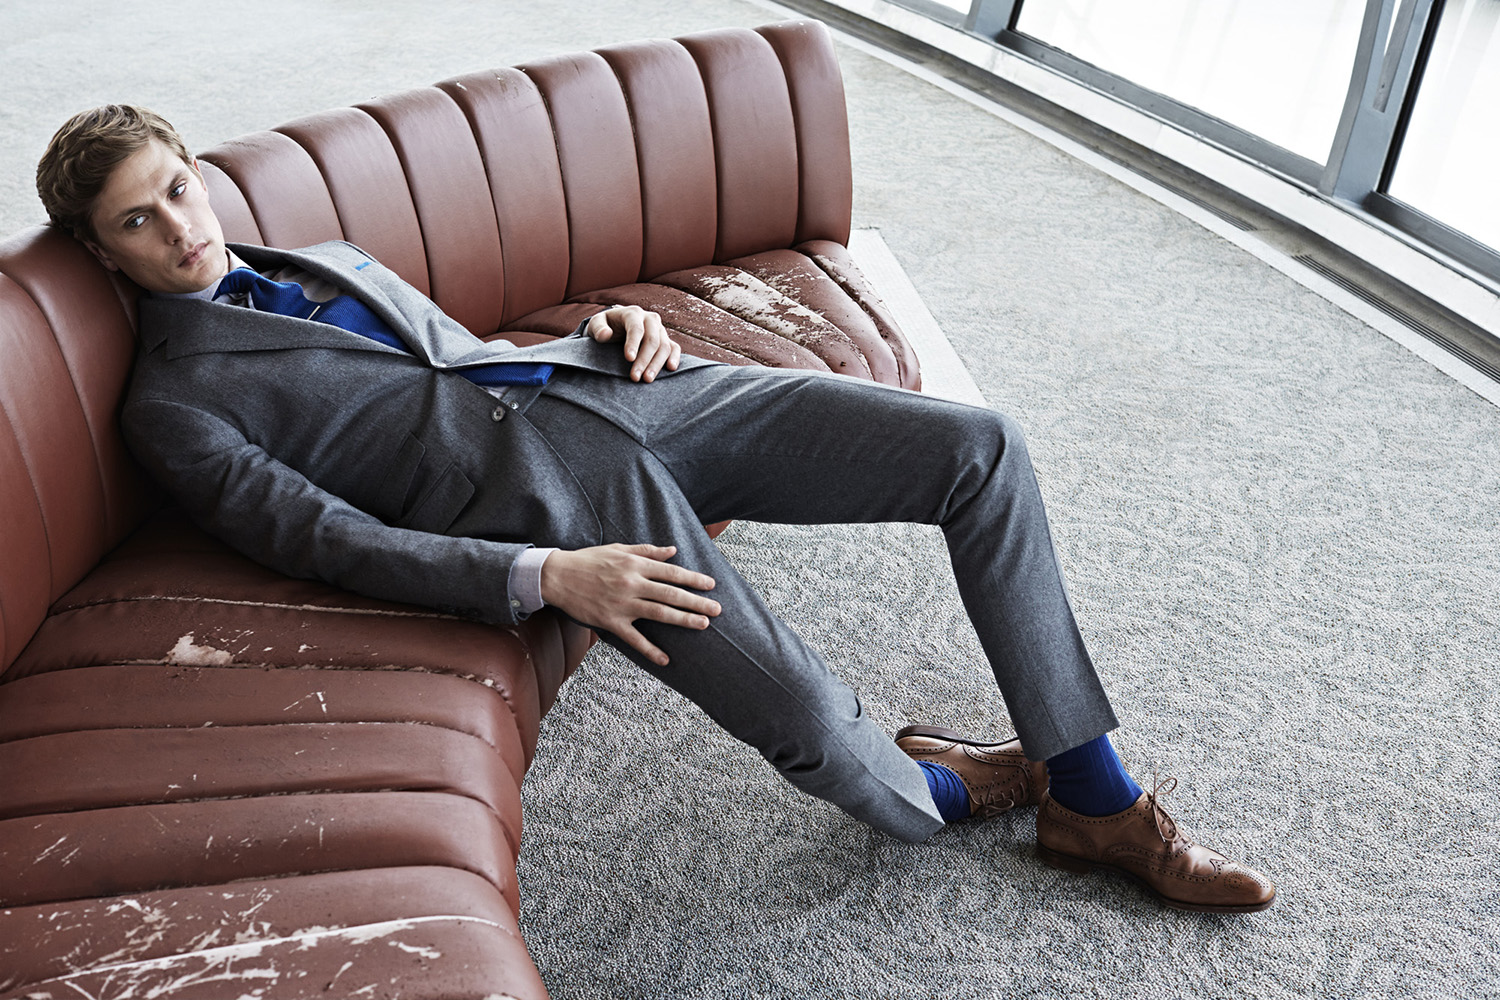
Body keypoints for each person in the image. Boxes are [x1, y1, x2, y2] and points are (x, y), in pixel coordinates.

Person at [34, 104, 1275, 913]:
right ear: (101, 252)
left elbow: (459, 362)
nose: (179, 228)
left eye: (179, 189)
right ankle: (947, 791)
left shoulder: (315, 256)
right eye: (138, 221)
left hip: (624, 392)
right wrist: (544, 579)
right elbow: (325, 537)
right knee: (810, 720)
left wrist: (606, 327)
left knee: (977, 448)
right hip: (564, 516)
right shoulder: (174, 404)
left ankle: (1093, 793)